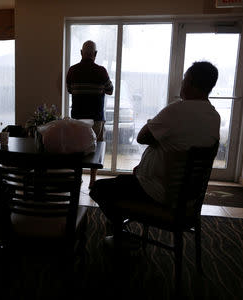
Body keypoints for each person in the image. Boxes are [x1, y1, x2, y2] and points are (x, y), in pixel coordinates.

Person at [89, 61, 221, 226]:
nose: (181, 83)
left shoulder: (177, 110)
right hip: (187, 197)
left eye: (184, 79)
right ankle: (121, 224)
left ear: (191, 83)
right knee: (122, 182)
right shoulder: (214, 117)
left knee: (98, 188)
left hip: (158, 192)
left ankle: (120, 230)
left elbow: (142, 137)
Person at [66, 40, 114, 189]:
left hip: (78, 119)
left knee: (77, 149)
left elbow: (69, 90)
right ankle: (92, 181)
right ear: (95, 54)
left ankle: (77, 178)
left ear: (81, 53)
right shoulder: (101, 71)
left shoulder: (72, 71)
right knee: (95, 150)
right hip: (96, 119)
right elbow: (110, 90)